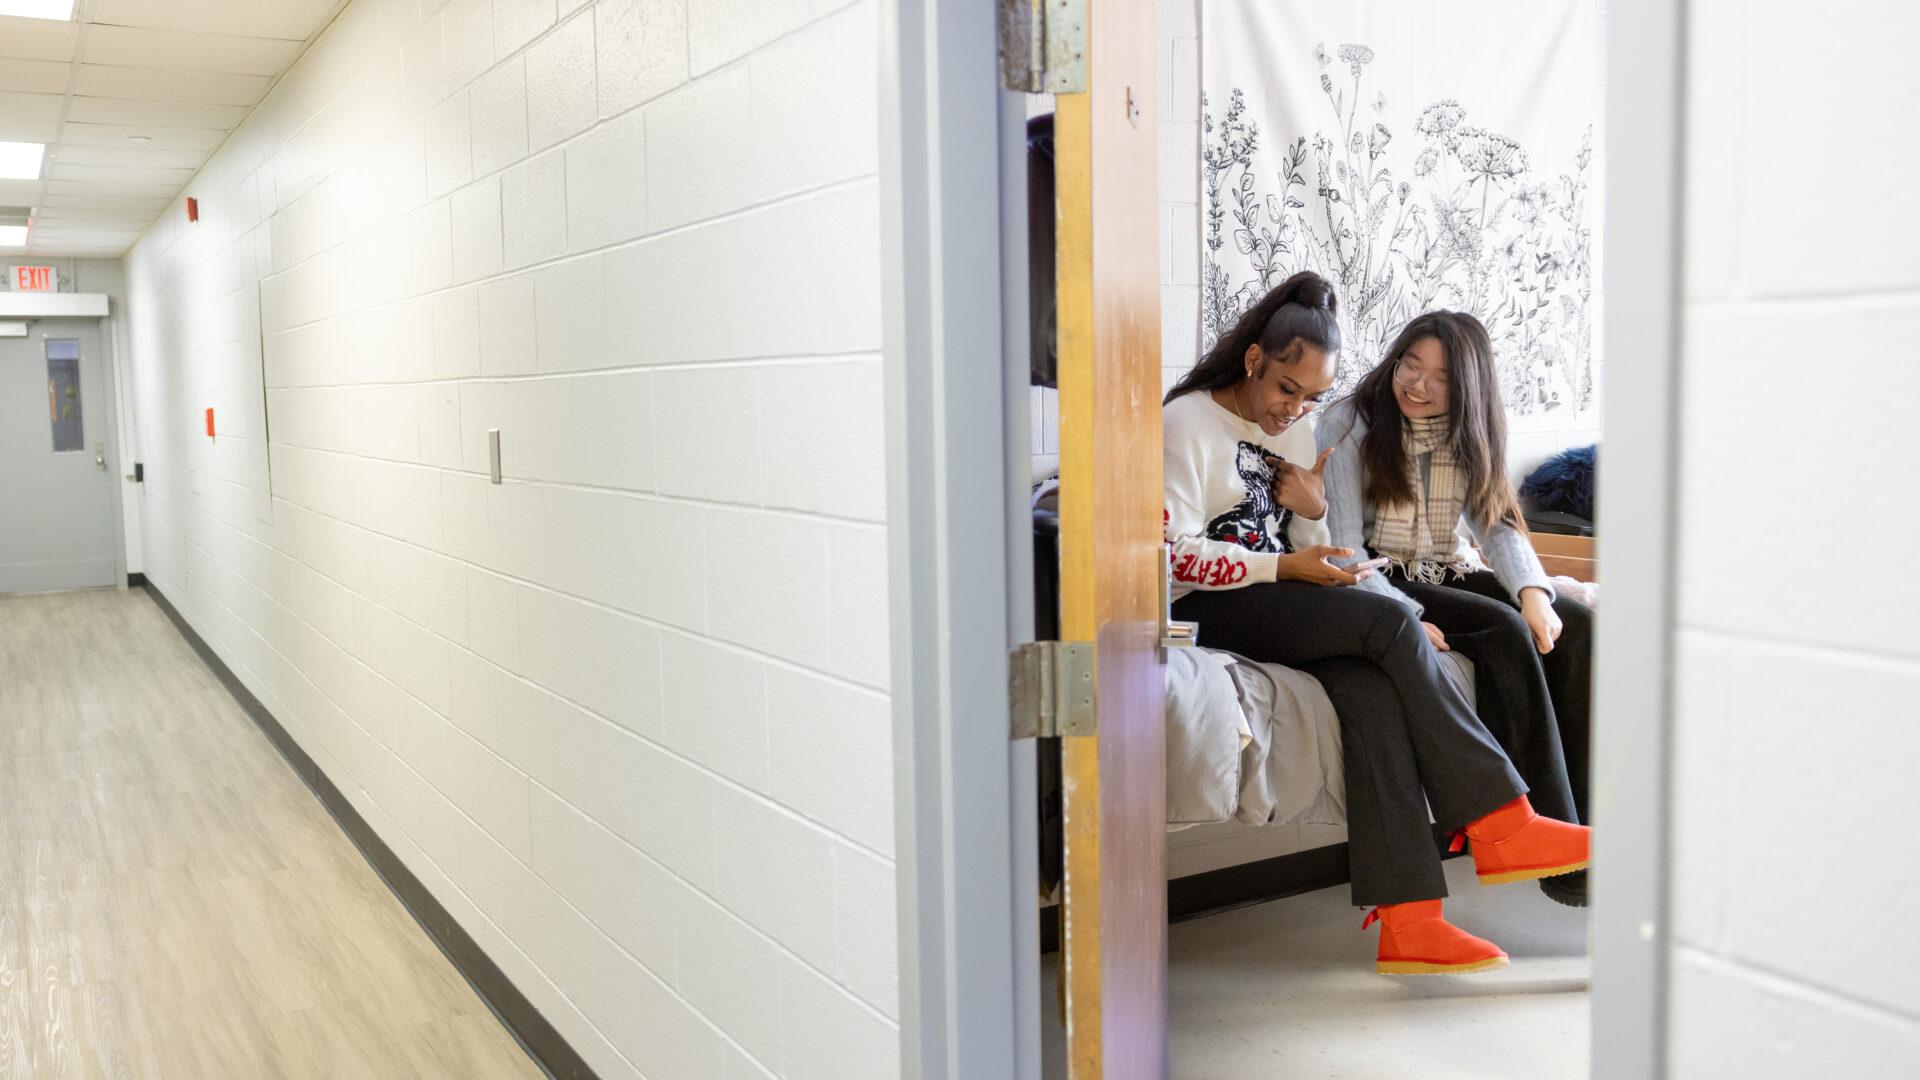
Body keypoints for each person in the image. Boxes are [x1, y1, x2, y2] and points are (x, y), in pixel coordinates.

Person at [1165, 271, 1589, 973]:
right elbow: (1173, 556)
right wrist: (1293, 569)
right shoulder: (1188, 423)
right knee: (1390, 630)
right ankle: (1502, 824)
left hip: (1281, 593)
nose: (1293, 409)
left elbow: (1314, 550)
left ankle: (1409, 921)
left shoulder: (1298, 431)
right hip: (1208, 603)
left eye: (1310, 397)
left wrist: (1307, 517)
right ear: (1253, 361)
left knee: (1371, 688)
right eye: (1284, 389)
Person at [1317, 310, 1595, 907]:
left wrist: (1535, 593)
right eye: (1409, 365)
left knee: (1581, 629)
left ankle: (1597, 832)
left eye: (1438, 377)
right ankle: (1559, 860)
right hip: (1382, 577)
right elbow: (1344, 549)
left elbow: (1496, 524)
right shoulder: (1348, 423)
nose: (1417, 385)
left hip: (1446, 562)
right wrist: (1405, 617)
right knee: (1498, 630)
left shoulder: (1472, 432)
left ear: (1467, 388)